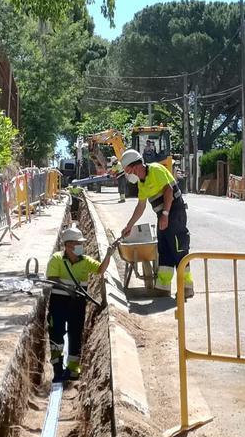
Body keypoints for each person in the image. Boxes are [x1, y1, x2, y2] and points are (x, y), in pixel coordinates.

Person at [119, 149, 193, 298]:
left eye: (128, 170)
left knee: (178, 250)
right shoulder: (142, 183)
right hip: (163, 216)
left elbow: (168, 191)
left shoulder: (155, 169)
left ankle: (186, 287)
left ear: (135, 165)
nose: (129, 174)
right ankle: (163, 288)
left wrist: (165, 214)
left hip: (174, 213)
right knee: (164, 250)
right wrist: (129, 226)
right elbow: (141, 206)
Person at [46, 227, 111, 382]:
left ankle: (73, 370)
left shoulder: (85, 261)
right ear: (68, 245)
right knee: (56, 334)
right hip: (59, 303)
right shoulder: (57, 259)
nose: (81, 246)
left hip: (77, 304)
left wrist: (108, 255)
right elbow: (52, 278)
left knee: (75, 334)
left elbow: (100, 269)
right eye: (77, 243)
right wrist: (68, 289)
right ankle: (58, 369)